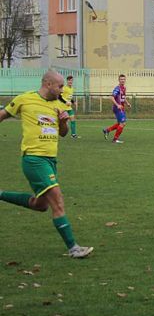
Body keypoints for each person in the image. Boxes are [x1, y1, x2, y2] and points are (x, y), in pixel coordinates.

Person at [0, 70, 93, 258]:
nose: (62, 90)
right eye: (60, 86)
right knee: (57, 200)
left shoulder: (59, 105)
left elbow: (63, 133)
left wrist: (63, 122)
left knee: (41, 204)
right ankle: (73, 248)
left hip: (51, 160)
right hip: (34, 159)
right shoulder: (25, 99)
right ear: (48, 84)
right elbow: (2, 115)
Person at [102, 74, 130, 143]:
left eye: (124, 79)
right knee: (123, 123)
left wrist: (127, 103)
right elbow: (112, 97)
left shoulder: (124, 88)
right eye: (121, 79)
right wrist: (117, 105)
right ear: (119, 80)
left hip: (121, 108)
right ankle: (115, 139)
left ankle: (107, 130)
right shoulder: (117, 88)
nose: (122, 80)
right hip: (117, 108)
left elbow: (123, 97)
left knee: (120, 123)